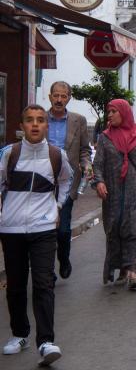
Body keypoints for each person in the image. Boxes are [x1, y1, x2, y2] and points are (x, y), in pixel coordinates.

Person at [0, 105, 73, 365]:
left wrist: (59, 206)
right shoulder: (9, 154)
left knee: (44, 283)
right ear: (22, 125)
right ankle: (19, 334)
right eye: (30, 120)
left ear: (46, 126)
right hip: (12, 229)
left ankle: (46, 342)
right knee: (17, 286)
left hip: (43, 229)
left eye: (40, 120)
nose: (35, 125)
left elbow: (66, 181)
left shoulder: (57, 155)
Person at [93, 99, 136, 289]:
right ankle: (122, 269)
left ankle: (134, 271)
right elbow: (98, 164)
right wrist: (99, 181)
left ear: (123, 112)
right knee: (114, 230)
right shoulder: (105, 137)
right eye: (108, 112)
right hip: (112, 193)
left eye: (113, 111)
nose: (109, 115)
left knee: (133, 229)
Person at [44, 81, 91, 280]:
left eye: (64, 96)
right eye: (56, 95)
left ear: (69, 98)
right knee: (45, 231)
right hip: (42, 183)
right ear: (50, 97)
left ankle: (63, 259)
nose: (59, 100)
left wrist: (87, 163)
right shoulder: (40, 119)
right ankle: (47, 272)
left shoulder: (78, 120)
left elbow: (84, 150)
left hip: (68, 181)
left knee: (62, 230)